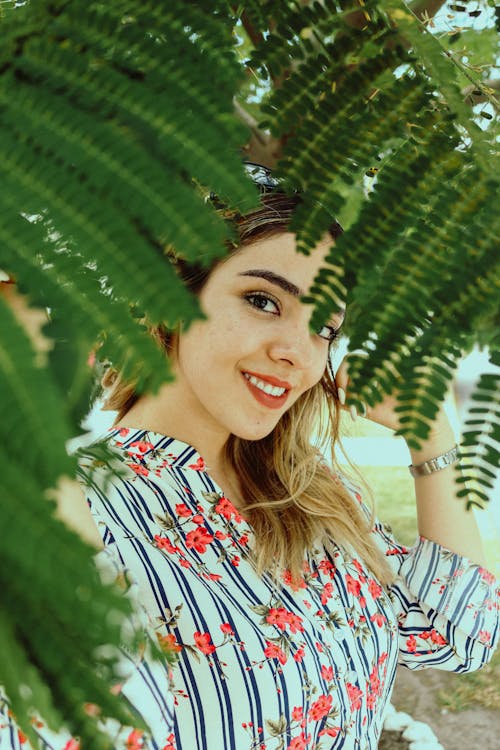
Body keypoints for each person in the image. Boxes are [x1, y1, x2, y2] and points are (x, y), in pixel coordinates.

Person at [1, 163, 498, 750]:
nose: (298, 353)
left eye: (326, 329)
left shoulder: (316, 492)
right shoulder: (65, 503)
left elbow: (457, 632)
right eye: (264, 301)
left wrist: (431, 434)